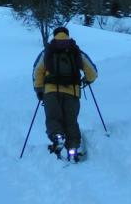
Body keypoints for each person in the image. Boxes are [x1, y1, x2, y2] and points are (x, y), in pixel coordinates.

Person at [32, 26, 97, 161]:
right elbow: (92, 72)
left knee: (53, 118)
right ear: (67, 35)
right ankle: (72, 151)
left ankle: (58, 137)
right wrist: (87, 80)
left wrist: (39, 90)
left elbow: (37, 71)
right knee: (71, 122)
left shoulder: (48, 51)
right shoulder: (75, 50)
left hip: (51, 92)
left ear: (54, 35)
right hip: (72, 93)